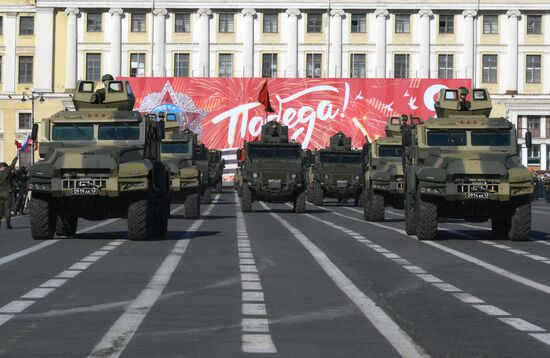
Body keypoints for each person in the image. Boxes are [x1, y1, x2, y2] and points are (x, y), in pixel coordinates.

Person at [0, 157, 19, 229]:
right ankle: (8, 224)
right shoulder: (6, 172)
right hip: (7, 193)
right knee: (7, 209)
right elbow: (12, 165)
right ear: (4, 167)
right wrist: (16, 157)